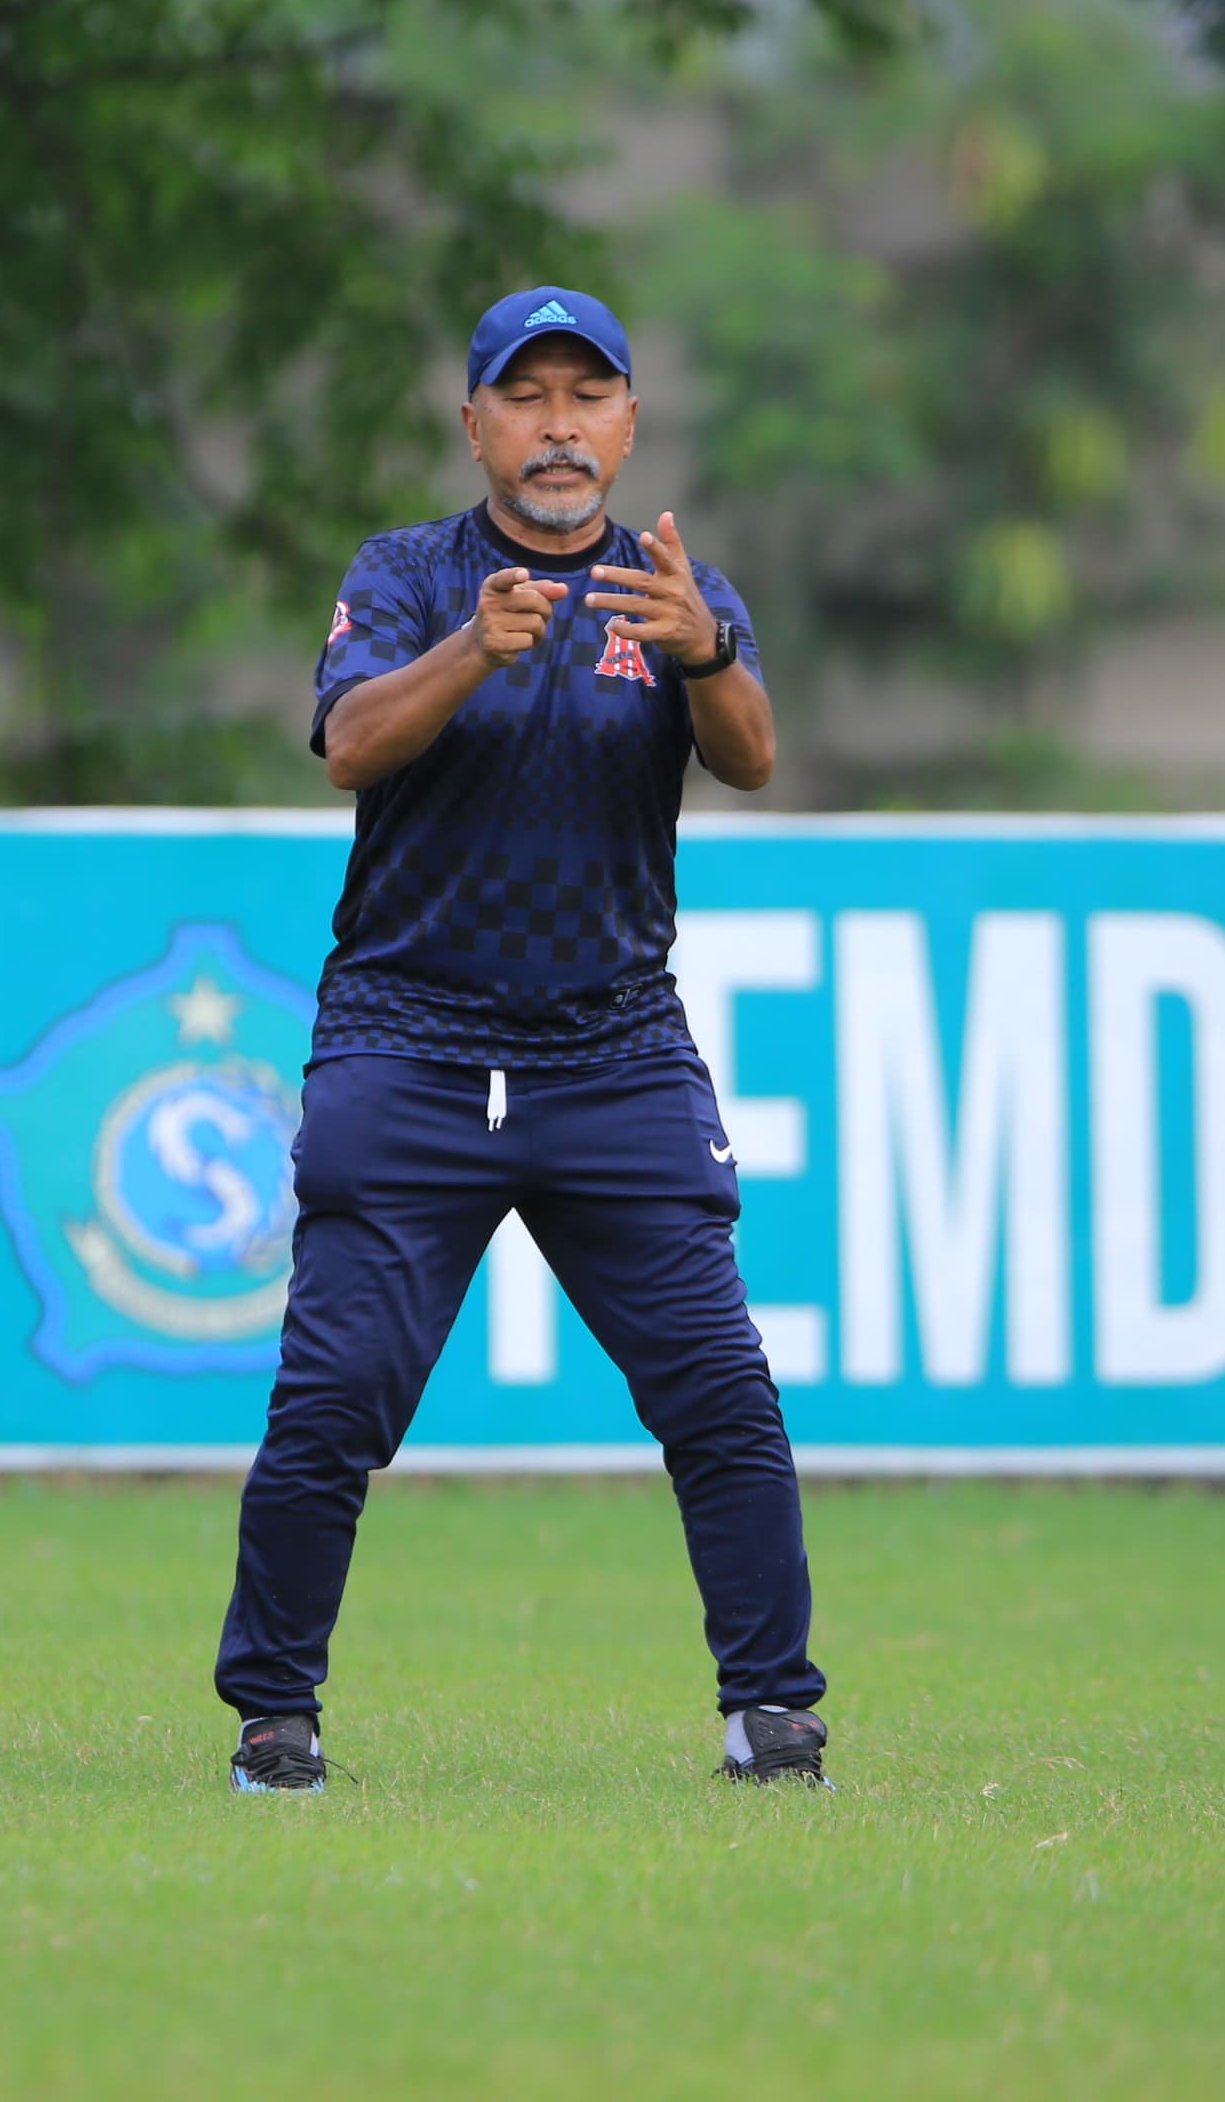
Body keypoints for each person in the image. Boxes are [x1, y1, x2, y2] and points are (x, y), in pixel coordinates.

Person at [216, 285, 829, 1793]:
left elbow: (749, 761)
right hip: (408, 1045)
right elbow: (351, 744)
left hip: (614, 1052)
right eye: (528, 397)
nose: (559, 428)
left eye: (589, 397)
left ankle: (772, 1713)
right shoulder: (411, 574)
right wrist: (472, 654)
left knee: (723, 1395)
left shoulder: (679, 587)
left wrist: (705, 654)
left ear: (627, 424)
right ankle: (274, 1714)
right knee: (334, 1401)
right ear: (475, 422)